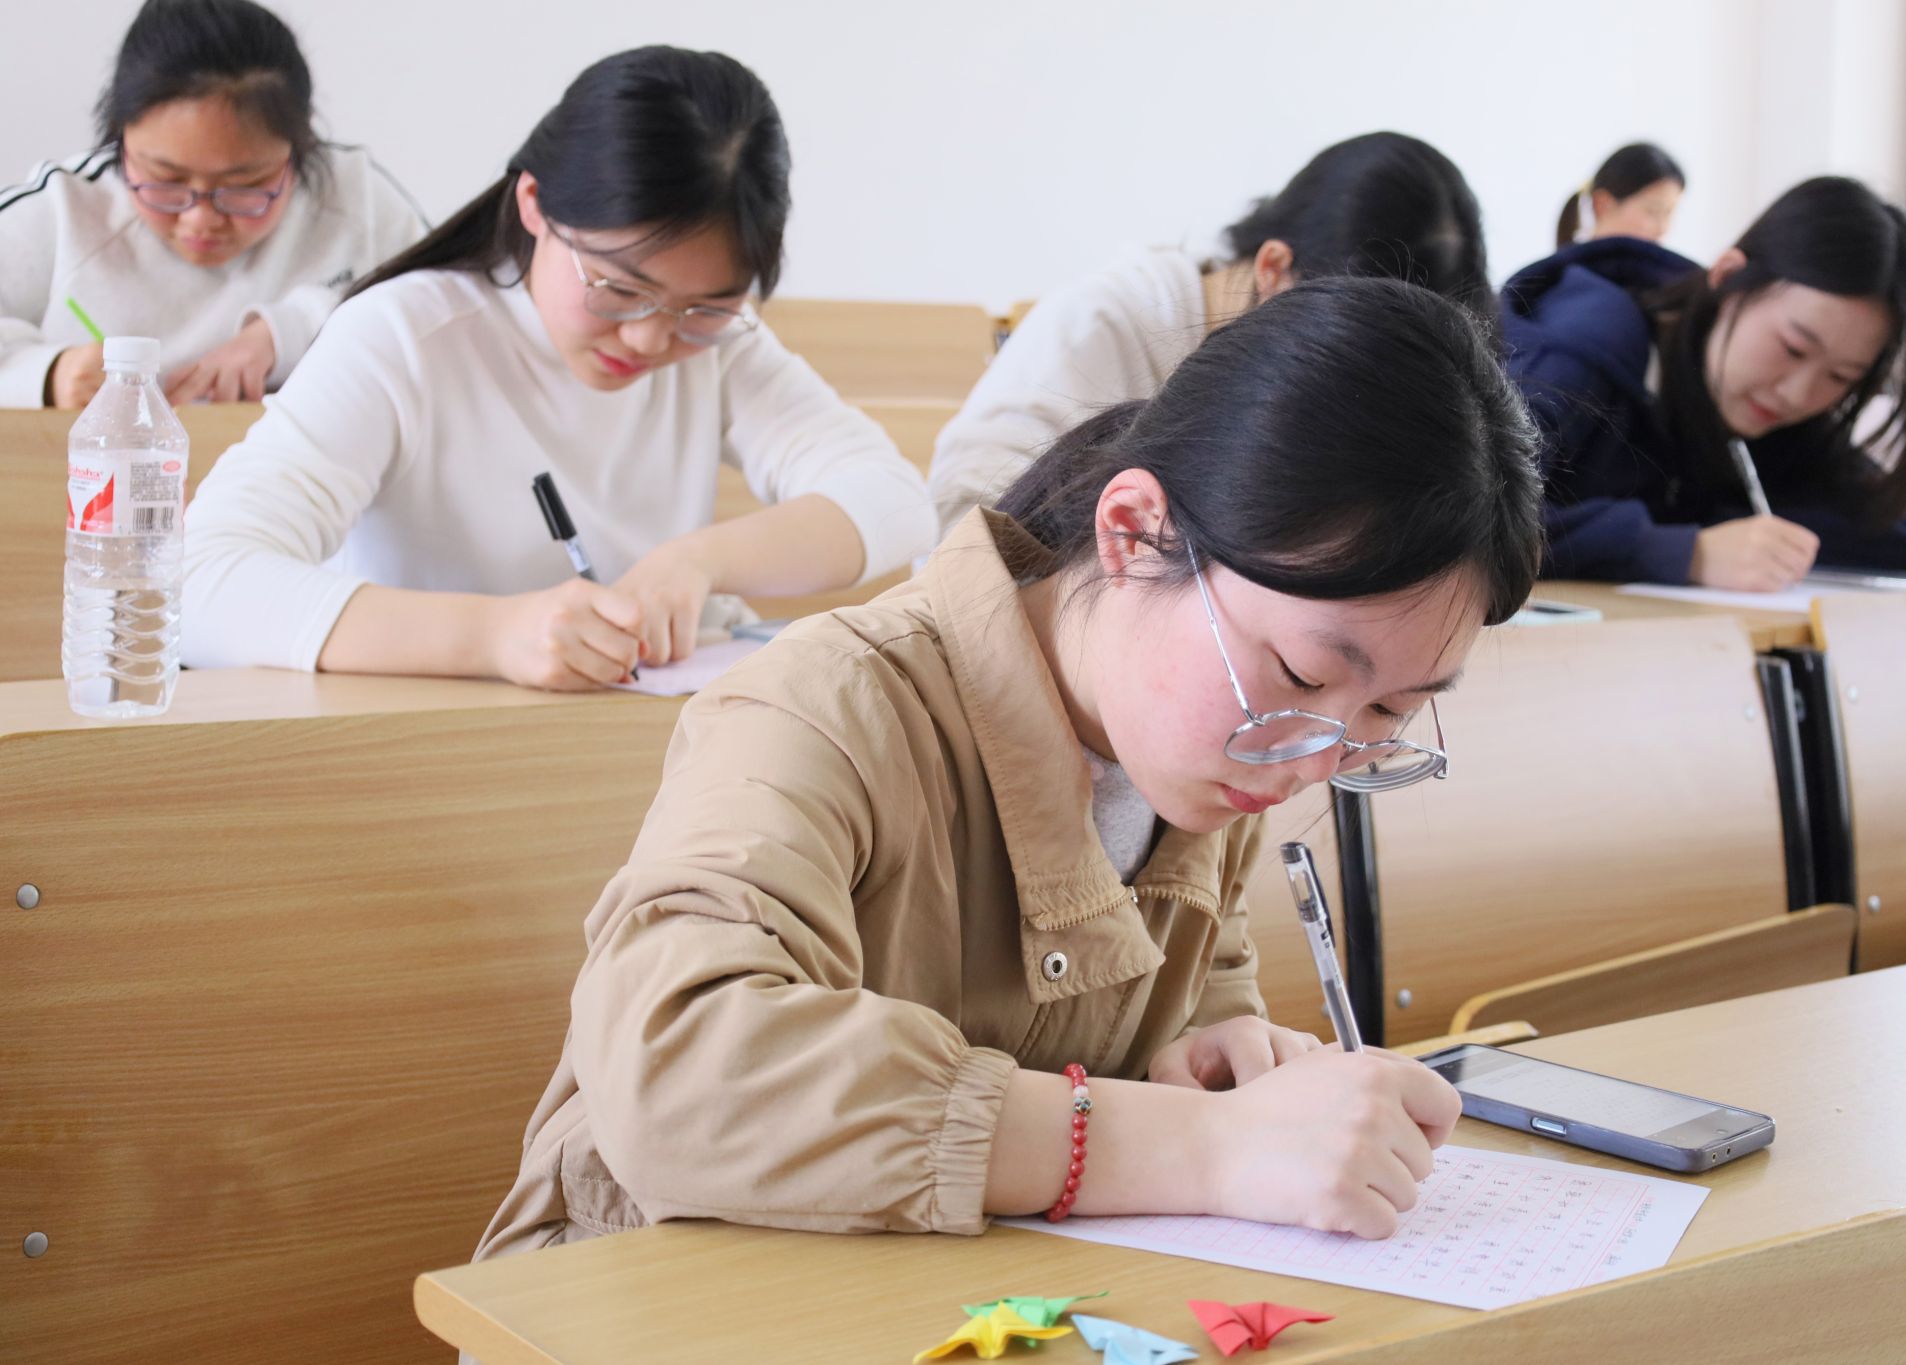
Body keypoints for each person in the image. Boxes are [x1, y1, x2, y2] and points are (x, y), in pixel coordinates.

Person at [471, 274, 1544, 1263]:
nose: (1314, 758)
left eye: (1387, 711)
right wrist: (1197, 1145)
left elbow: (1200, 992)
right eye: (1304, 673)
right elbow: (678, 1074)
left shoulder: (1217, 756)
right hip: (643, 1296)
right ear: (1133, 532)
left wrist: (1223, 1052)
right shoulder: (826, 704)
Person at [182, 47, 935, 685]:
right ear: (535, 203)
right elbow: (200, 581)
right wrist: (494, 637)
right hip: (422, 753)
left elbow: (895, 502)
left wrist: (697, 561)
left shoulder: (718, 345)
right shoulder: (404, 336)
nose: (650, 339)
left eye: (704, 307)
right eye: (619, 288)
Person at [926, 132, 1495, 534]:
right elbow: (964, 523)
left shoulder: (1290, 378)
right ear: (1273, 269)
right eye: (1347, 340)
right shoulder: (1102, 324)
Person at [1504, 176, 1906, 588]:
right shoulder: (1578, 351)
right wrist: (1684, 550)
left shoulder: (1767, 401)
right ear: (1729, 278)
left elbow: (1894, 530)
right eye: (1793, 349)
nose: (1798, 394)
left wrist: (1727, 529)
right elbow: (1485, 519)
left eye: (1842, 376)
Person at [0, 0, 423, 408]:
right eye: (166, 181)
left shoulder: (352, 198)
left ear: (299, 153)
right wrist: (47, 375)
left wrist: (292, 332)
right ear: (120, 139)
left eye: (244, 186)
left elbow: (439, 311)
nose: (200, 220)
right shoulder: (65, 210)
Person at [1555, 142, 1686, 249]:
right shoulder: (1568, 272)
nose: (1662, 229)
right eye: (1653, 211)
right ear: (1602, 205)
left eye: (1668, 213)